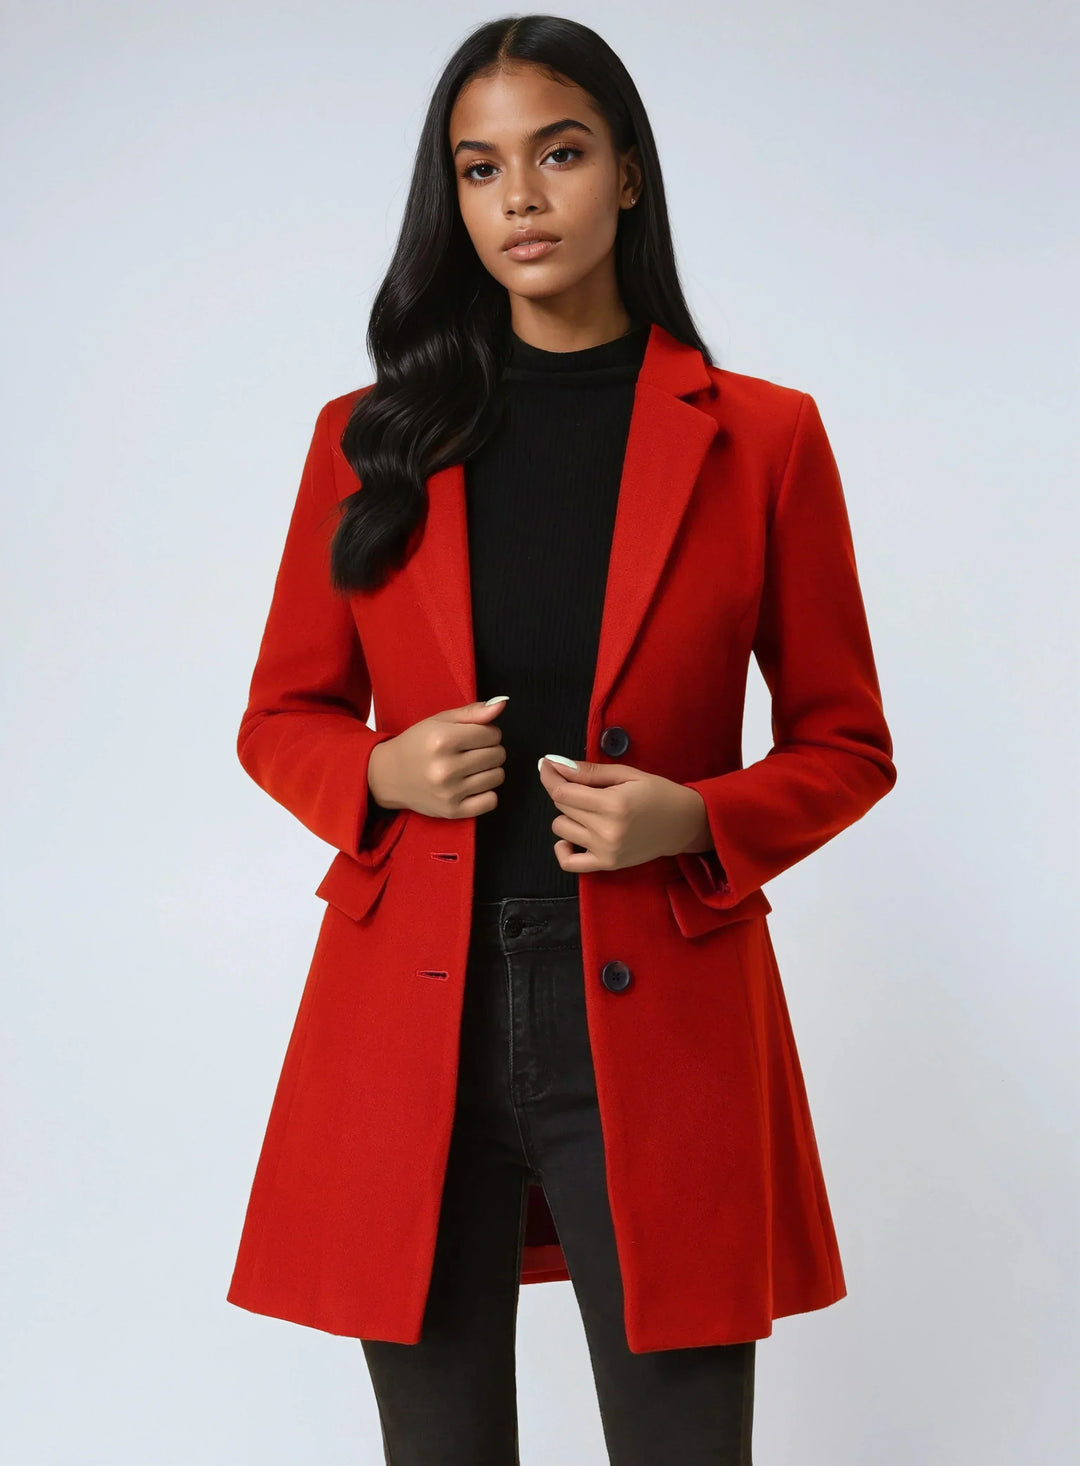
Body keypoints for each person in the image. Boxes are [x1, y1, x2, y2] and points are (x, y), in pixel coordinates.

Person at [228, 15, 896, 1466]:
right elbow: (278, 716)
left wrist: (695, 817)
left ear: (630, 175)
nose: (520, 198)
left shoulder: (763, 439)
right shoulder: (370, 437)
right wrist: (379, 771)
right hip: (416, 1010)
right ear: (452, 198)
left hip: (663, 1013)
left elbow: (849, 740)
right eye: (480, 168)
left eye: (561, 153)